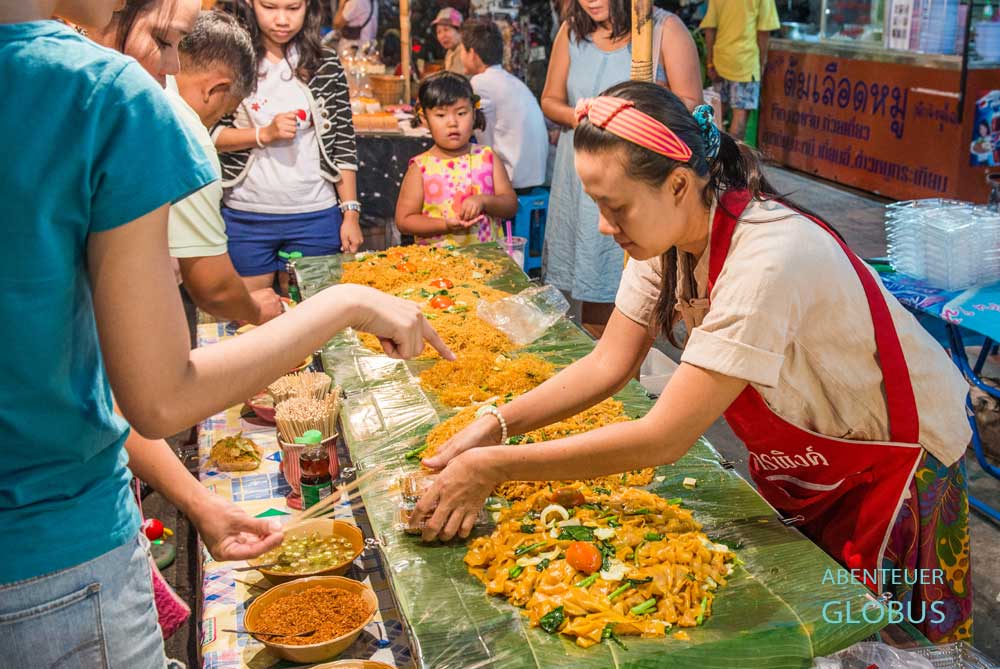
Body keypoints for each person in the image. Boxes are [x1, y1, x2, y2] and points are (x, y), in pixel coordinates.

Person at [409, 82, 975, 644]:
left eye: (615, 206)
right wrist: (494, 426)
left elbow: (663, 437)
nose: (605, 226)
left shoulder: (768, 257)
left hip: (902, 462)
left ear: (678, 183)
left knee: (890, 636)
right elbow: (608, 364)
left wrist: (497, 467)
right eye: (597, 205)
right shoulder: (668, 240)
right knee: (824, 627)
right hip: (818, 458)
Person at [0, 3, 452, 667]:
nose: (168, 69)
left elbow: (87, 385)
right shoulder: (97, 91)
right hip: (54, 555)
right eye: (165, 40)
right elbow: (158, 395)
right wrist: (348, 302)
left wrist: (196, 501)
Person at [541, 0, 702, 332]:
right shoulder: (571, 31)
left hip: (633, 176)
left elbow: (690, 106)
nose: (591, 1)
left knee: (623, 280)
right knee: (583, 274)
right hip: (579, 172)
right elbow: (550, 100)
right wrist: (585, 118)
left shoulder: (665, 29)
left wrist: (628, 120)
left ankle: (618, 356)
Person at [215, 0, 362, 295]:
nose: (282, 19)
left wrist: (350, 214)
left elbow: (343, 144)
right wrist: (262, 135)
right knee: (251, 317)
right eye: (269, 7)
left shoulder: (326, 65)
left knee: (315, 322)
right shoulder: (232, 60)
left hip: (316, 214)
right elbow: (210, 134)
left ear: (308, 6)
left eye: (293, 8)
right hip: (247, 213)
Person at [168, 10, 283, 325]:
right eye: (225, 112)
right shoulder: (190, 138)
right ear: (214, 89)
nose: (213, 124)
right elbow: (213, 288)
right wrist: (256, 309)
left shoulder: (144, 86)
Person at [395, 71, 518, 246]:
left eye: (461, 113)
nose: (452, 122)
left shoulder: (487, 158)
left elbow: (510, 205)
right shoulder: (420, 168)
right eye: (440, 115)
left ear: (474, 113)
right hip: (438, 265)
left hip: (488, 263)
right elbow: (404, 220)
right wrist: (444, 225)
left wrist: (484, 201)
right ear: (424, 118)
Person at [460, 18, 548, 191]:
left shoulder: (480, 83)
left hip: (512, 178)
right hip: (533, 174)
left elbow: (466, 126)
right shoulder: (509, 80)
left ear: (472, 53)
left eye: (461, 51)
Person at [700, 0, 780, 140]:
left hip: (721, 59)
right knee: (740, 114)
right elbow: (763, 32)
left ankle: (717, 156)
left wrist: (710, 63)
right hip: (745, 61)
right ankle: (732, 159)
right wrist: (761, 63)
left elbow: (710, 28)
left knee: (718, 112)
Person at [431, 6, 465, 75]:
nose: (442, 36)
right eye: (438, 32)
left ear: (460, 31)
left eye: (446, 29)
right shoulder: (450, 52)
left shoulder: (465, 53)